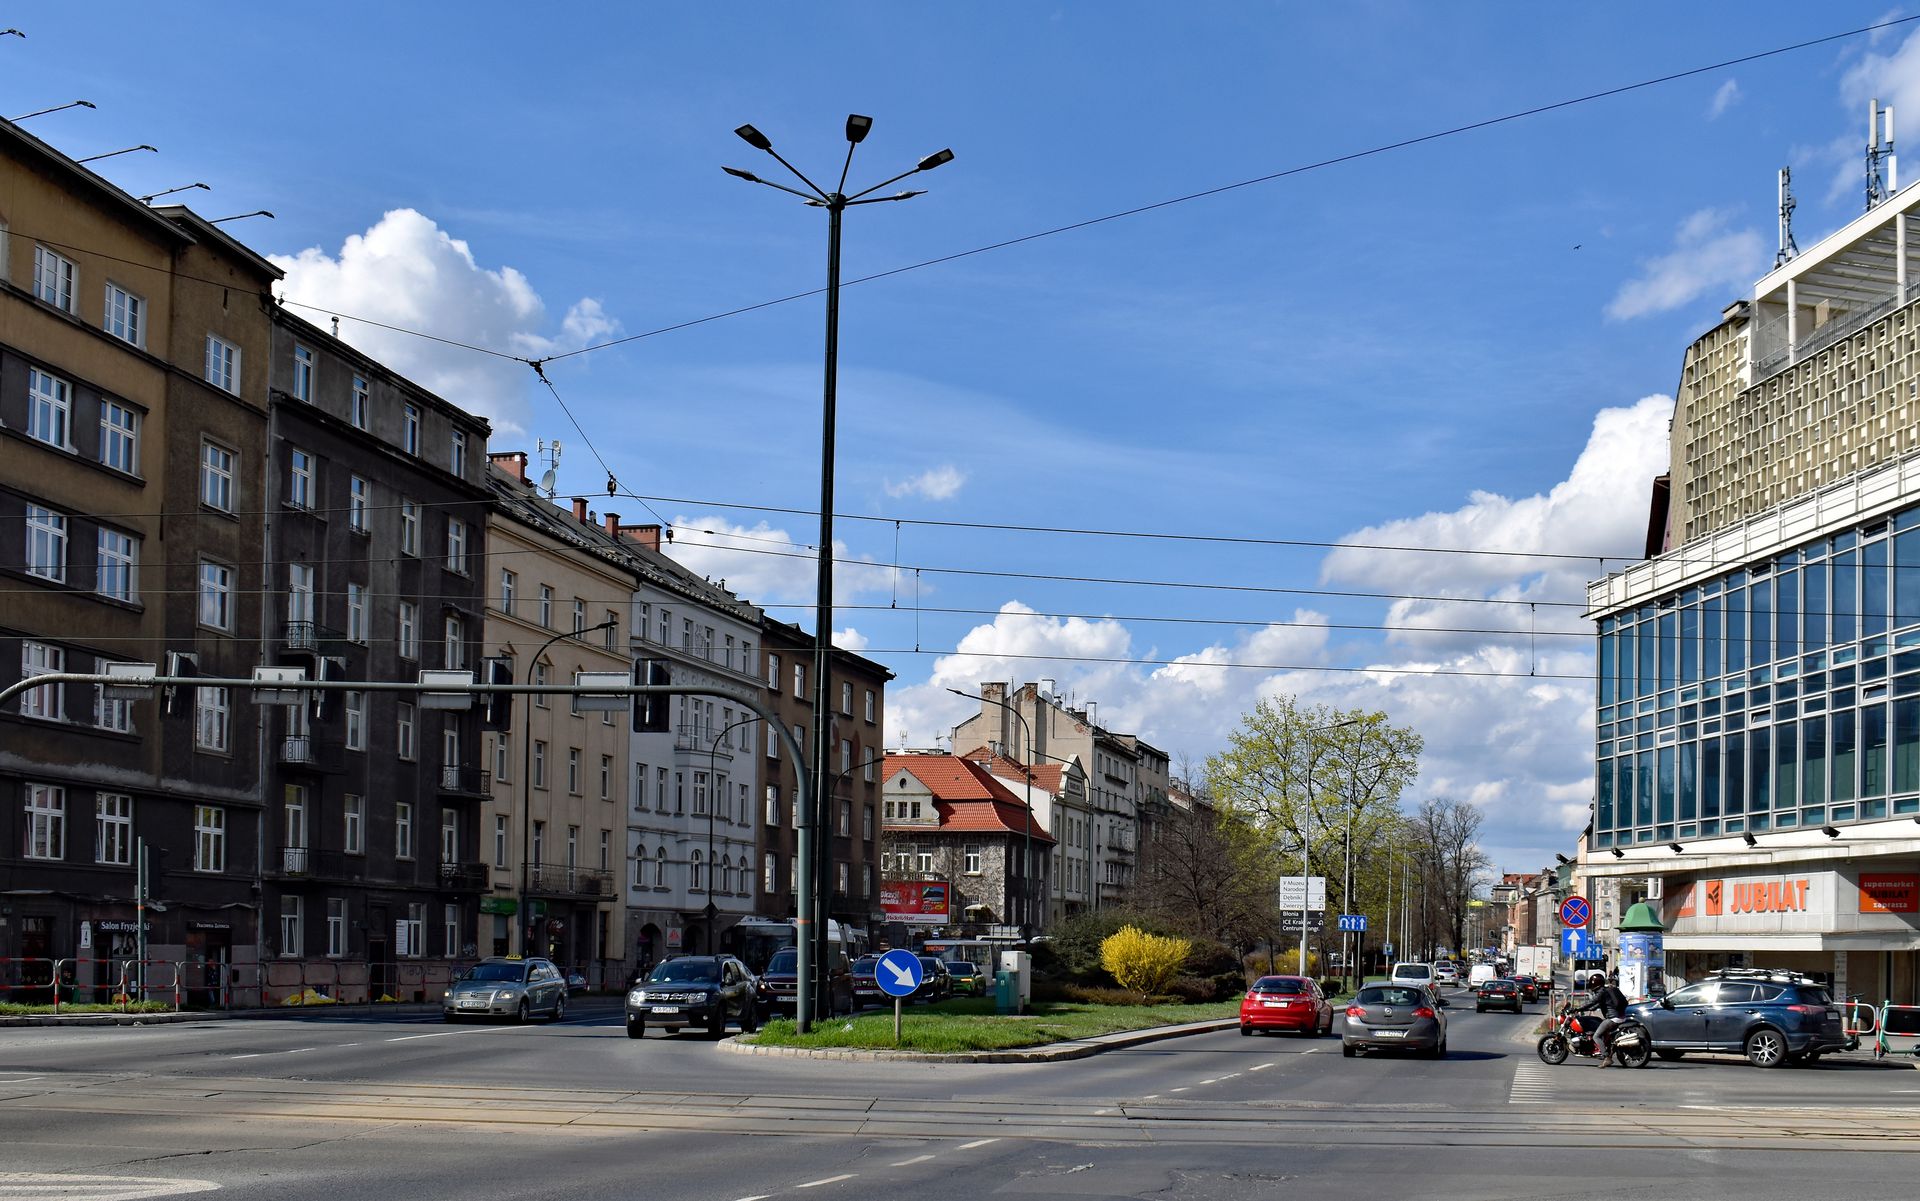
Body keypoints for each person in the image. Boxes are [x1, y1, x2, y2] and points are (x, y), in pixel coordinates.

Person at [1574, 970, 1629, 1066]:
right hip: (1618, 1017)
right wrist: (1584, 1009)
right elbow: (1595, 1005)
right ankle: (1606, 1050)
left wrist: (1577, 1008)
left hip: (1613, 1018)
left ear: (1595, 984)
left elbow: (1592, 1002)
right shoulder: (1605, 991)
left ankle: (1606, 1057)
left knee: (1596, 1036)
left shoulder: (1601, 992)